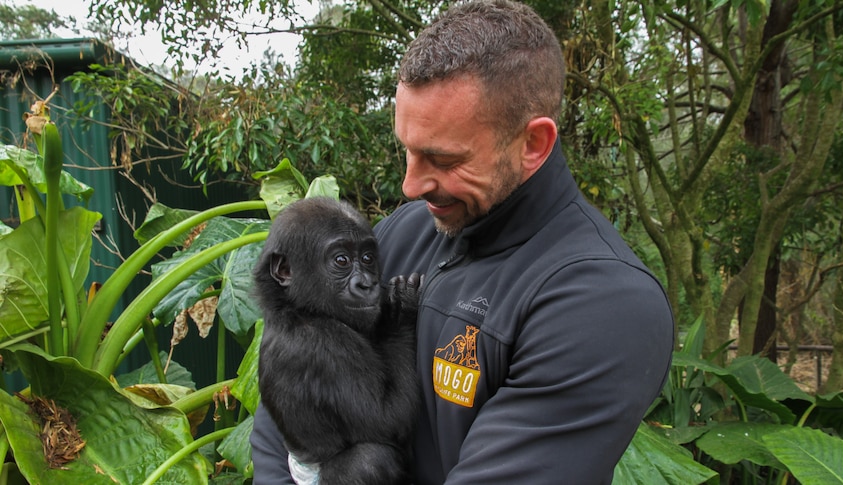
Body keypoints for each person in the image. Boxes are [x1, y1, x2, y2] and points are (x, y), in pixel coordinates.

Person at [250, 0, 674, 483]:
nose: (410, 186)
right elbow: (284, 413)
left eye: (443, 159)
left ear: (532, 144)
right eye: (407, 150)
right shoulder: (403, 233)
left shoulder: (602, 302)